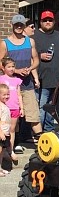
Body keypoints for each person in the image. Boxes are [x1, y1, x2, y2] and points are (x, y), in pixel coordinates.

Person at [0, 14, 41, 143]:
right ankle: (14, 143)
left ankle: (41, 143)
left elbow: (36, 60)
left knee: (33, 113)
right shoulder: (5, 43)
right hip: (10, 85)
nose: (18, 27)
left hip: (27, 84)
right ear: (12, 25)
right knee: (13, 114)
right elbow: (0, 63)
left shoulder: (30, 41)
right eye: (16, 24)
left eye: (21, 25)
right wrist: (15, 70)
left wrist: (30, 69)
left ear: (24, 26)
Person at [32, 10, 59, 132]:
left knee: (52, 108)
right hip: (42, 79)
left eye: (50, 20)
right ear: (41, 22)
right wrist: (40, 56)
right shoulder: (34, 37)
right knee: (41, 108)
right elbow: (29, 56)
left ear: (54, 21)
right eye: (45, 20)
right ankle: (38, 133)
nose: (48, 22)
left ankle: (49, 131)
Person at [0, 57, 23, 165]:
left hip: (15, 108)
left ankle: (10, 149)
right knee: (4, 129)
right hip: (4, 108)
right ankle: (4, 149)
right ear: (3, 68)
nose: (11, 69)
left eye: (13, 66)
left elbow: (19, 95)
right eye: (9, 67)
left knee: (12, 130)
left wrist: (21, 108)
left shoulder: (17, 80)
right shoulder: (1, 79)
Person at [0, 83, 11, 176]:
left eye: (8, 94)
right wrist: (1, 133)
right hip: (1, 133)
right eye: (4, 94)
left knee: (2, 152)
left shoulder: (5, 105)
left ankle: (0, 168)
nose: (6, 96)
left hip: (6, 133)